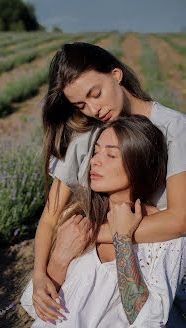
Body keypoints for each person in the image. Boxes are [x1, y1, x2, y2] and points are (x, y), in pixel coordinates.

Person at [32, 42, 186, 323]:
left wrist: (91, 235)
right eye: (81, 104)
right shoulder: (84, 139)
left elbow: (179, 220)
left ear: (116, 74)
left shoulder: (175, 129)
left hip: (161, 272)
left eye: (96, 94)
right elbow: (51, 217)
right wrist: (40, 275)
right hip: (100, 271)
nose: (93, 109)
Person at [21, 115, 186, 327]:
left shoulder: (166, 236)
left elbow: (147, 320)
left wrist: (122, 239)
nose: (94, 160)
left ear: (140, 162)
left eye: (110, 155)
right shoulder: (79, 217)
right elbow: (43, 310)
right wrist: (59, 260)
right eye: (96, 151)